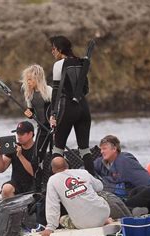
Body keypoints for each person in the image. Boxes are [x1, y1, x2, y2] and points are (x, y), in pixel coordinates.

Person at [48, 35, 95, 175]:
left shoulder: (58, 65)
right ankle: (93, 181)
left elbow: (56, 93)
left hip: (67, 109)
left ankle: (55, 183)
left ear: (60, 49)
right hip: (84, 109)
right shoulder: (82, 63)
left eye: (53, 48)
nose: (52, 51)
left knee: (58, 149)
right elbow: (85, 90)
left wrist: (53, 115)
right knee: (84, 149)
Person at [94, 135, 150, 216]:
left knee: (148, 191)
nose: (101, 152)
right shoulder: (101, 163)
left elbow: (148, 182)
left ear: (114, 149)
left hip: (127, 199)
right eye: (101, 149)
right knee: (139, 194)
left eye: (104, 149)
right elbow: (87, 169)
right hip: (120, 199)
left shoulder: (125, 162)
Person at [41, 157, 111, 236]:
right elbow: (99, 187)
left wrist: (50, 227)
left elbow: (52, 205)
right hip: (104, 214)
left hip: (83, 224)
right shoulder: (83, 172)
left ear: (52, 170)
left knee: (63, 219)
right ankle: (103, 221)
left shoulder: (52, 180)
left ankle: (96, 221)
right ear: (67, 165)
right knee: (100, 197)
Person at [21, 64, 53, 192]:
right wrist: (29, 114)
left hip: (54, 129)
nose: (28, 82)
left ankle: (56, 184)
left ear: (38, 78)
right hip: (42, 129)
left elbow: (58, 108)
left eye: (31, 79)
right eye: (27, 79)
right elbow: (31, 112)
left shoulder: (49, 91)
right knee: (37, 157)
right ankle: (38, 186)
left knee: (55, 156)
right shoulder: (29, 94)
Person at [0, 121, 37, 198]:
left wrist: (20, 156)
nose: (18, 137)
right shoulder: (14, 147)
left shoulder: (37, 149)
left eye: (22, 134)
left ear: (31, 134)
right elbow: (0, 169)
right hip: (17, 184)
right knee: (6, 189)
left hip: (33, 184)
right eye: (18, 133)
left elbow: (34, 172)